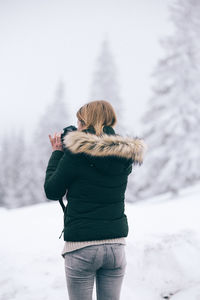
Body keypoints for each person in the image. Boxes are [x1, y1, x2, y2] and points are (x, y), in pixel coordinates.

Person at [44, 100, 146, 300]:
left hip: (82, 247)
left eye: (80, 122)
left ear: (86, 122)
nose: (78, 127)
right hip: (116, 247)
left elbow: (52, 190)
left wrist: (57, 153)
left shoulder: (76, 154)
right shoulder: (124, 155)